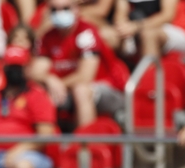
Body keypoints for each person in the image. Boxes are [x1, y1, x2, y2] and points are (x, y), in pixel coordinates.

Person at [32, 0, 127, 130]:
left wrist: (59, 84)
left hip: (106, 88)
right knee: (37, 93)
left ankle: (85, 146)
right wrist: (49, 79)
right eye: (54, 10)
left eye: (65, 8)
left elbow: (85, 76)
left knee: (81, 90)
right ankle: (49, 146)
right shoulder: (48, 37)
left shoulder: (86, 32)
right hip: (66, 89)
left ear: (76, 9)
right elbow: (35, 71)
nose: (59, 13)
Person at [0, 45, 57, 168]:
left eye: (19, 66)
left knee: (22, 166)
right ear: (4, 67)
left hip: (27, 154)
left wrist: (16, 151)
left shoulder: (37, 95)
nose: (15, 71)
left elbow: (45, 135)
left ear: (27, 68)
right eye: (12, 66)